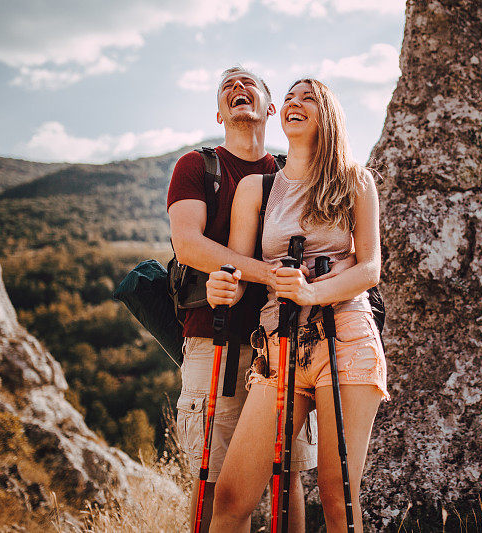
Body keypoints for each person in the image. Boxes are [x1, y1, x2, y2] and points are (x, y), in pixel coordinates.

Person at [205, 78, 389, 533]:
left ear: (327, 116)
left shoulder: (356, 181)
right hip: (278, 344)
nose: (293, 102)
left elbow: (369, 269)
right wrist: (221, 287)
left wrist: (311, 292)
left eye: (308, 97)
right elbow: (241, 268)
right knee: (231, 498)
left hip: (344, 337)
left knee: (336, 493)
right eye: (288, 96)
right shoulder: (256, 188)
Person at [167, 67, 339, 533]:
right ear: (219, 113)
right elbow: (188, 244)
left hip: (285, 344)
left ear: (270, 108)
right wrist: (265, 274)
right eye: (227, 87)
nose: (237, 90)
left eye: (249, 86)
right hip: (213, 339)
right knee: (217, 480)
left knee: (286, 476)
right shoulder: (198, 167)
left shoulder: (292, 173)